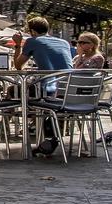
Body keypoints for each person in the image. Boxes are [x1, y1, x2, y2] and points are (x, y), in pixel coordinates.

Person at [14, 16, 73, 157]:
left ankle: (10, 120)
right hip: (69, 89)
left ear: (32, 31)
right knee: (30, 91)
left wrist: (18, 45)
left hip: (49, 89)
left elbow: (18, 66)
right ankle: (37, 123)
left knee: (13, 91)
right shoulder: (64, 42)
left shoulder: (32, 41)